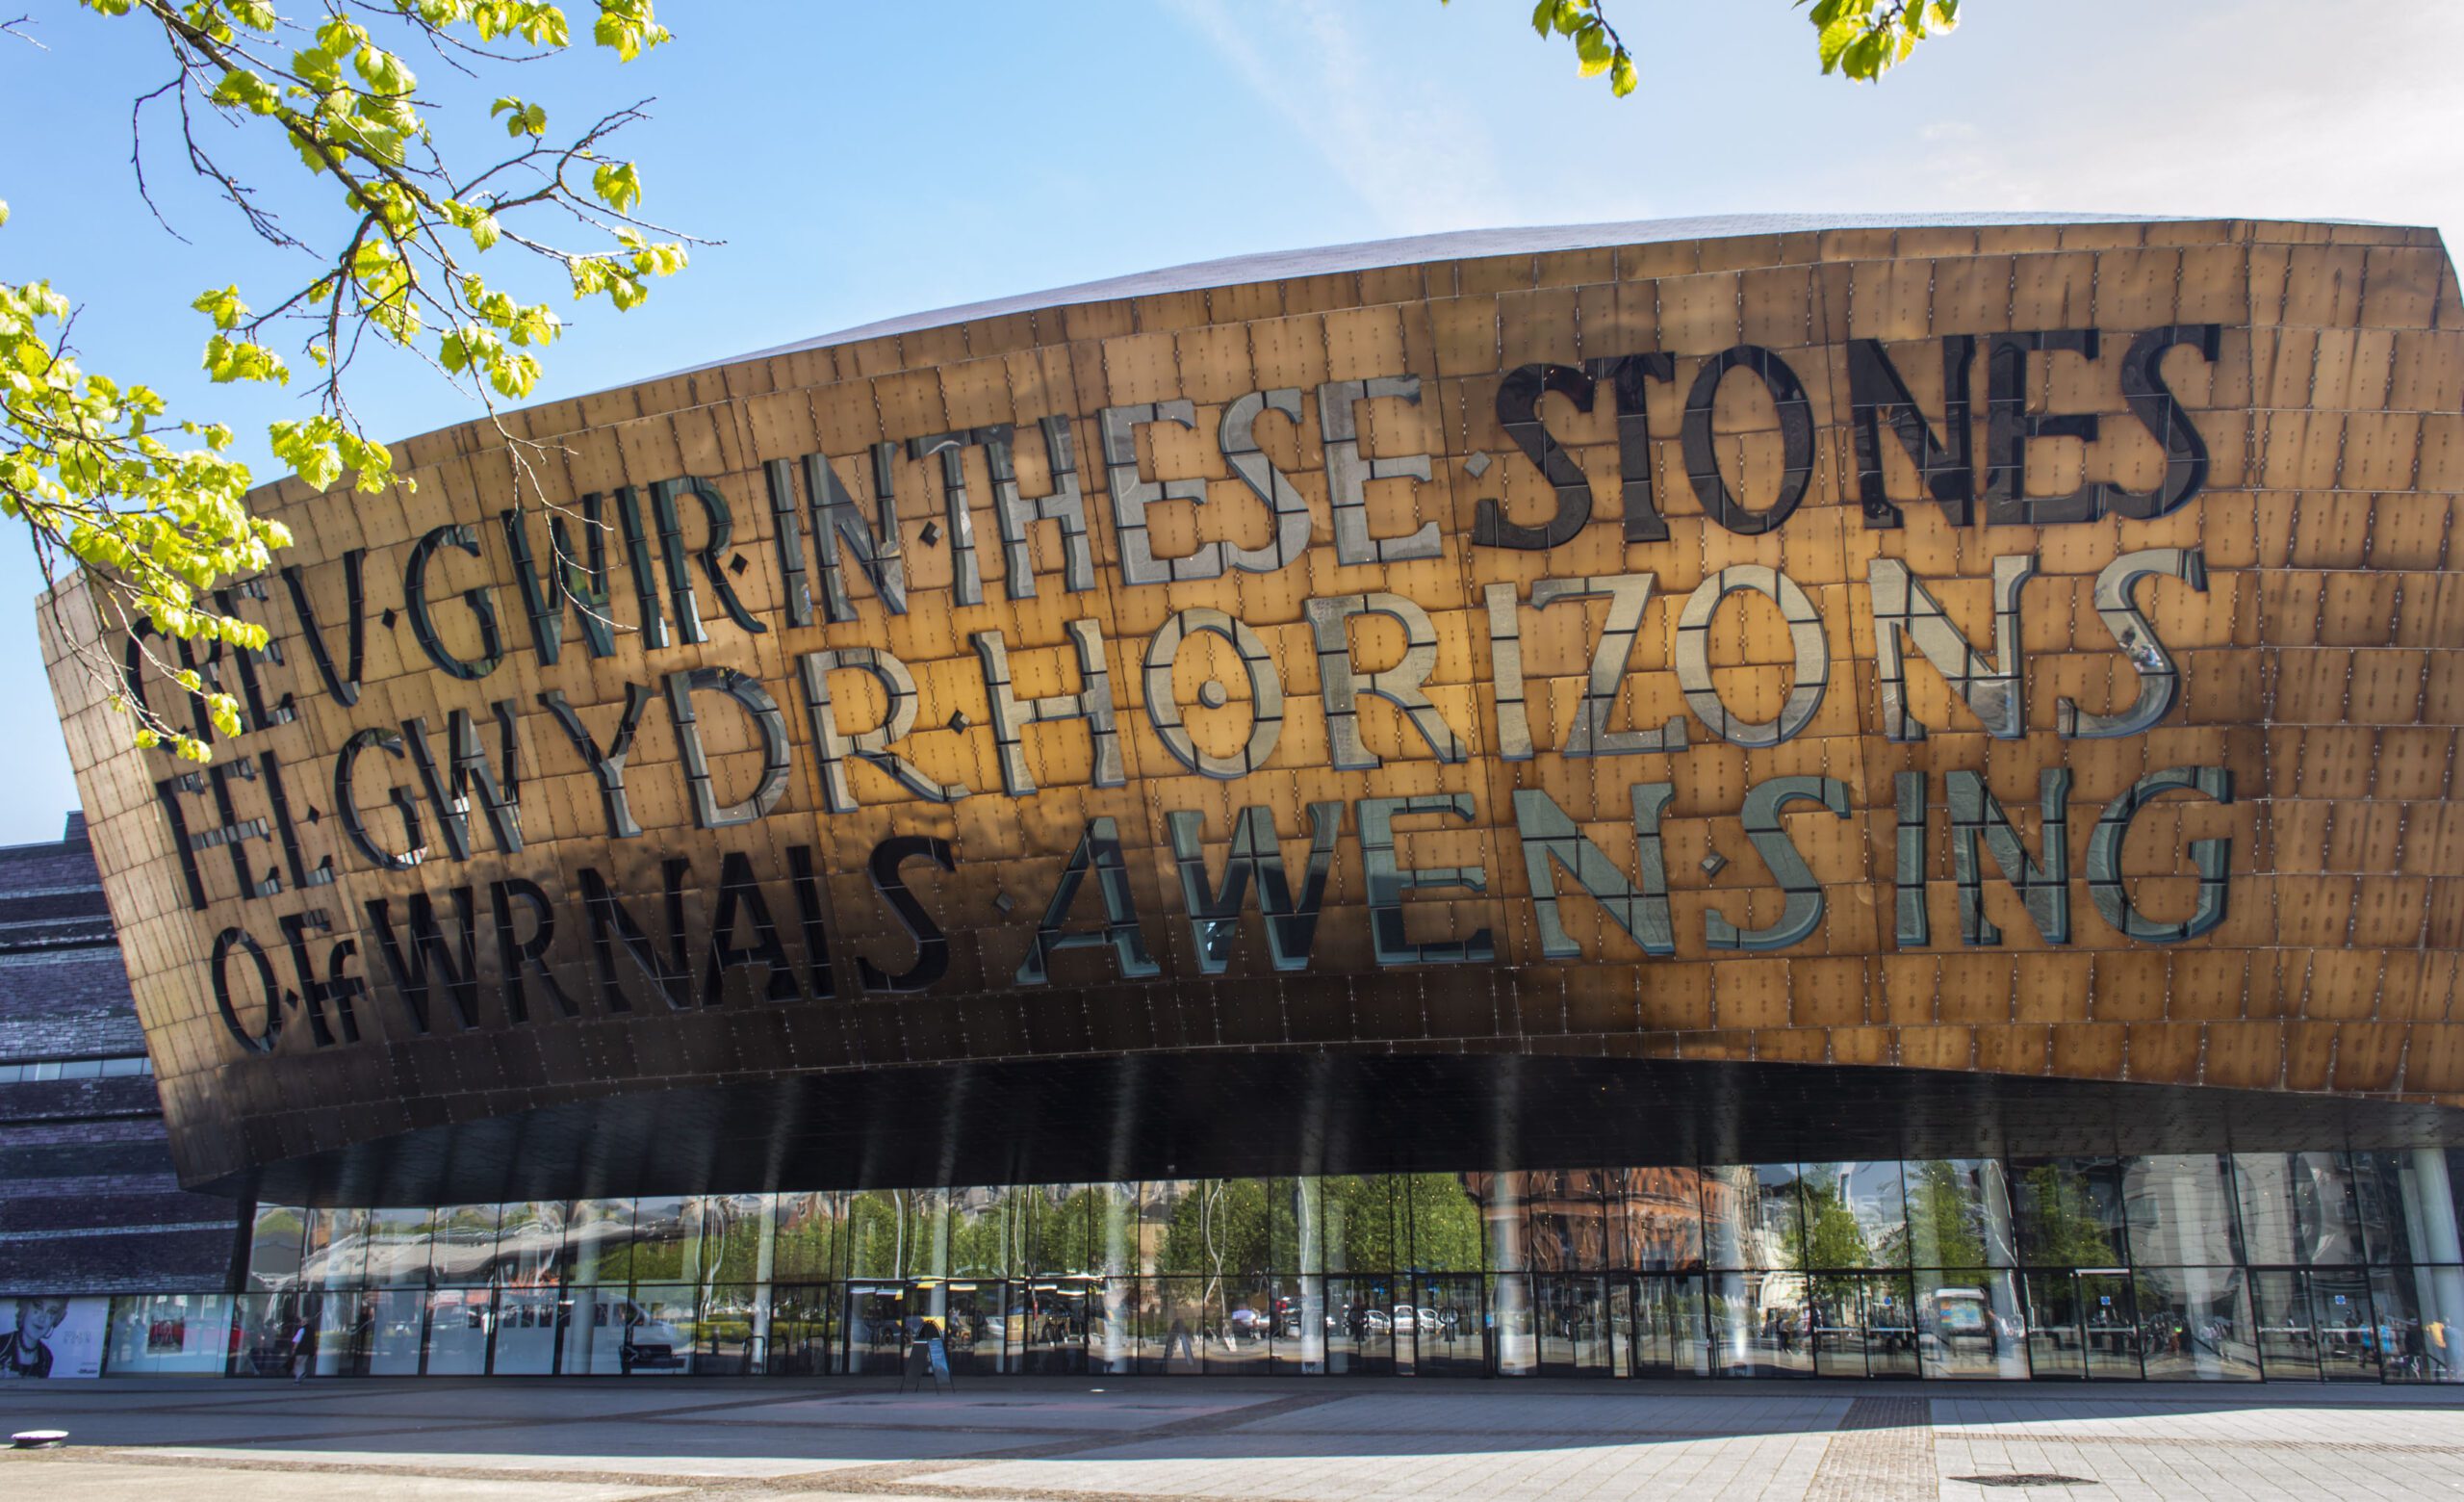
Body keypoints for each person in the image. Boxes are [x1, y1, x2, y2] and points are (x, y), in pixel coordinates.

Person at [0, 1298, 66, 1379]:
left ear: (57, 1319)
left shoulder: (46, 1357)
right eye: (38, 1307)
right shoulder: (2, 1344)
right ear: (24, 1307)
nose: (42, 1318)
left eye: (51, 1312)